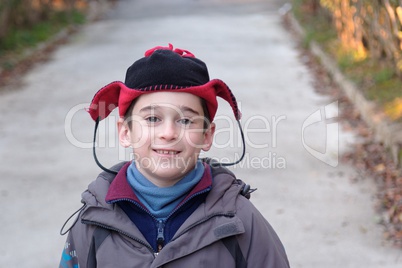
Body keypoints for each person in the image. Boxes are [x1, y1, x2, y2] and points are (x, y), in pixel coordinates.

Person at [59, 44, 290, 268]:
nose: (168, 133)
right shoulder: (92, 222)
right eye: (152, 119)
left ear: (206, 135)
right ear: (125, 132)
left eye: (185, 120)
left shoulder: (240, 221)